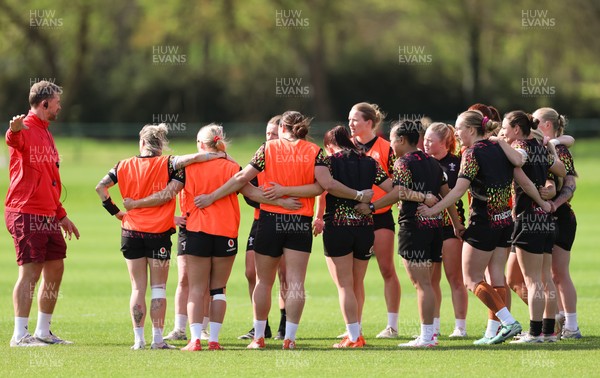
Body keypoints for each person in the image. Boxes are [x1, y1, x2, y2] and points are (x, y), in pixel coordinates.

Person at [194, 111, 373, 350]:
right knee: (296, 283)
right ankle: (290, 338)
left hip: (269, 220)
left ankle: (258, 337)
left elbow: (241, 179)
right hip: (299, 222)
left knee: (263, 282)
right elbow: (323, 186)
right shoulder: (313, 151)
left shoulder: (267, 148)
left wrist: (212, 196)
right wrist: (358, 195)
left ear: (282, 127)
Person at [418, 110, 551, 345]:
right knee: (496, 277)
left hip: (483, 224)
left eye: (458, 128)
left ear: (471, 130)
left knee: (471, 279)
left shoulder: (471, 153)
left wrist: (433, 210)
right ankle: (492, 332)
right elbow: (524, 180)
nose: (455, 133)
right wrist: (543, 203)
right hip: (504, 223)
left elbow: (458, 190)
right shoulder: (501, 147)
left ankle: (508, 322)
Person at [95, 124, 225, 350]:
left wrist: (117, 212)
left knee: (137, 288)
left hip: (131, 232)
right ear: (161, 145)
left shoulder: (123, 165)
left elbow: (100, 188)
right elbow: (170, 190)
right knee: (158, 288)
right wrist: (216, 153)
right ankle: (157, 339)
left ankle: (138, 340)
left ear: (142, 143)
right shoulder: (169, 163)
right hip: (157, 234)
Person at [358, 120, 461, 348]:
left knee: (421, 284)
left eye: (393, 139)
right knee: (429, 284)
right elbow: (448, 194)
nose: (391, 144)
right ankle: (431, 334)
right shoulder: (433, 163)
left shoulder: (403, 162)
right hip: (435, 229)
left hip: (414, 228)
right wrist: (455, 223)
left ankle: (426, 338)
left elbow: (399, 192)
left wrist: (373, 207)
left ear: (402, 140)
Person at [6, 80, 80, 347]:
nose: (60, 106)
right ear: (45, 103)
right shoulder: (25, 127)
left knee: (55, 268)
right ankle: (19, 335)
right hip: (26, 212)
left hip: (48, 214)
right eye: (57, 102)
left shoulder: (47, 132)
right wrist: (13, 130)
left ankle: (42, 332)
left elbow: (50, 178)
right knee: (30, 272)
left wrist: (61, 214)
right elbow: (14, 138)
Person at [313, 126, 392, 348]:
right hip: (365, 228)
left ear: (329, 145)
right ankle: (357, 332)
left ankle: (353, 337)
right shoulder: (369, 162)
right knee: (357, 283)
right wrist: (374, 205)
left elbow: (325, 188)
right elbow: (393, 189)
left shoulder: (328, 162)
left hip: (338, 227)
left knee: (345, 286)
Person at [500, 111, 566, 343]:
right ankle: (549, 332)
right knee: (545, 278)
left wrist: (499, 142)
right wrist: (550, 149)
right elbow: (561, 170)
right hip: (546, 220)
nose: (503, 132)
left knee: (532, 280)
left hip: (528, 218)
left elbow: (518, 161)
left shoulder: (519, 147)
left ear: (517, 129)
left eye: (505, 128)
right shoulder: (538, 147)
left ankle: (535, 332)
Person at [348, 102, 401, 339]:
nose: (350, 123)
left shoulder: (386, 148)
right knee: (352, 275)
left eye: (355, 119)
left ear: (369, 123)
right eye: (349, 119)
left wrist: (376, 205)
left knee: (387, 269)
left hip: (380, 217)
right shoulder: (346, 148)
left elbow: (396, 185)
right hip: (350, 218)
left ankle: (392, 324)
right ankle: (353, 325)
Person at [534, 107, 581, 339]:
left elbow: (570, 185)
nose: (531, 124)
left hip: (560, 218)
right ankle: (558, 319)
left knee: (559, 273)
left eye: (536, 121)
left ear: (548, 125)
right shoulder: (544, 145)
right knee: (548, 275)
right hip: (545, 217)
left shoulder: (558, 148)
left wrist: (555, 204)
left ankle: (571, 325)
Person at [239, 116, 287, 341]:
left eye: (274, 134)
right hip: (261, 219)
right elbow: (247, 188)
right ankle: (261, 324)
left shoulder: (289, 157)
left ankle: (285, 324)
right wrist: (266, 200)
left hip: (286, 220)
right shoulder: (262, 154)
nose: (270, 138)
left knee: (285, 274)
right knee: (251, 272)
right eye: (267, 134)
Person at [423, 122, 468, 338]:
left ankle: (460, 326)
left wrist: (459, 224)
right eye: (425, 139)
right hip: (428, 227)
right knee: (431, 280)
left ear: (444, 143)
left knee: (454, 278)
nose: (426, 143)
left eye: (430, 141)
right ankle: (435, 326)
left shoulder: (457, 163)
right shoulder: (421, 163)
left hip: (451, 226)